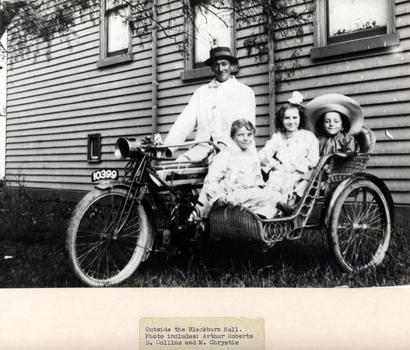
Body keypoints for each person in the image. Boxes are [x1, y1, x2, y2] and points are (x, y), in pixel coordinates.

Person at [164, 46, 256, 163]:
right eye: (216, 65)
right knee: (176, 168)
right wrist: (169, 146)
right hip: (202, 150)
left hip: (234, 150)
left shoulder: (244, 92)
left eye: (224, 64)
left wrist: (223, 148)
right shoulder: (201, 93)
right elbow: (185, 121)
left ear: (231, 66)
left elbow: (244, 128)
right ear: (212, 68)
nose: (220, 68)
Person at [258, 92, 320, 216]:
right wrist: (274, 165)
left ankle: (286, 213)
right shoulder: (278, 137)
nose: (291, 122)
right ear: (282, 120)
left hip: (298, 174)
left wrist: (296, 167)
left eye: (294, 118)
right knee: (273, 185)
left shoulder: (308, 137)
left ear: (300, 119)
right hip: (279, 173)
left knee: (290, 184)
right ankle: (266, 217)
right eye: (287, 118)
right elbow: (263, 154)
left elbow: (313, 160)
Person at [203, 119, 279, 219]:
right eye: (240, 135)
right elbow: (210, 180)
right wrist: (219, 196)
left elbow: (257, 179)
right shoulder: (226, 155)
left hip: (251, 197)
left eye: (249, 134)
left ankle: (260, 219)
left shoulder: (253, 156)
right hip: (233, 196)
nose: (245, 139)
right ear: (232, 137)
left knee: (273, 194)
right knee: (261, 195)